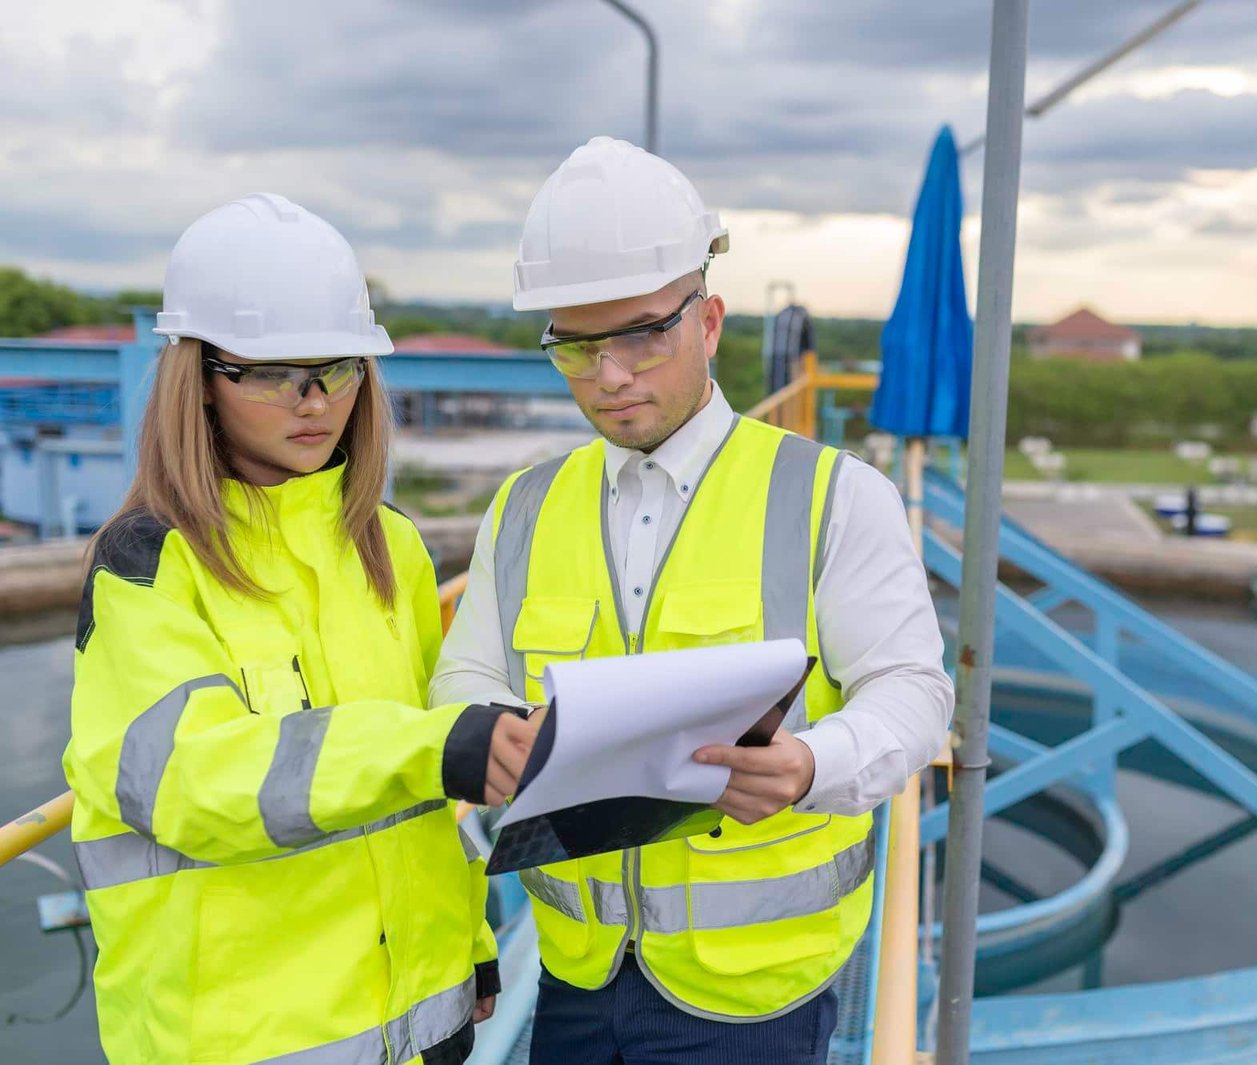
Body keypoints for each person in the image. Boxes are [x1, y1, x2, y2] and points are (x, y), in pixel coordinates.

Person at [430, 137, 954, 1064]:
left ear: (708, 320)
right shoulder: (522, 507)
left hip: (755, 1001)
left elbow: (913, 692)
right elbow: (463, 675)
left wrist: (811, 763)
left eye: (642, 335)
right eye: (578, 347)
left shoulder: (833, 495)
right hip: (577, 974)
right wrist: (494, 730)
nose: (611, 375)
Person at [63, 193, 547, 1065]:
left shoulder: (387, 542)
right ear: (199, 380)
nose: (316, 400)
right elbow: (190, 777)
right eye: (276, 372)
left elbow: (426, 808)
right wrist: (434, 747)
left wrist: (472, 939)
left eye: (341, 367)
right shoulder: (149, 564)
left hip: (424, 1026)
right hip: (252, 1042)